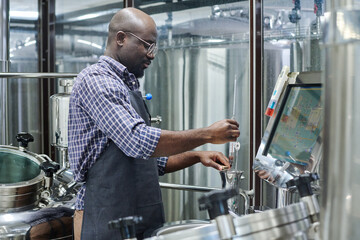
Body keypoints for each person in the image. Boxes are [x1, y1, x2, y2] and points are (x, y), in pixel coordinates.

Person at [68, 7, 240, 240]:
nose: (152, 54)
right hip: (105, 216)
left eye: (154, 47)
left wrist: (197, 156)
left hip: (139, 214)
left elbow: (149, 162)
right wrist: (207, 134)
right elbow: (138, 142)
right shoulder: (97, 81)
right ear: (121, 38)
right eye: (147, 45)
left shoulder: (126, 85)